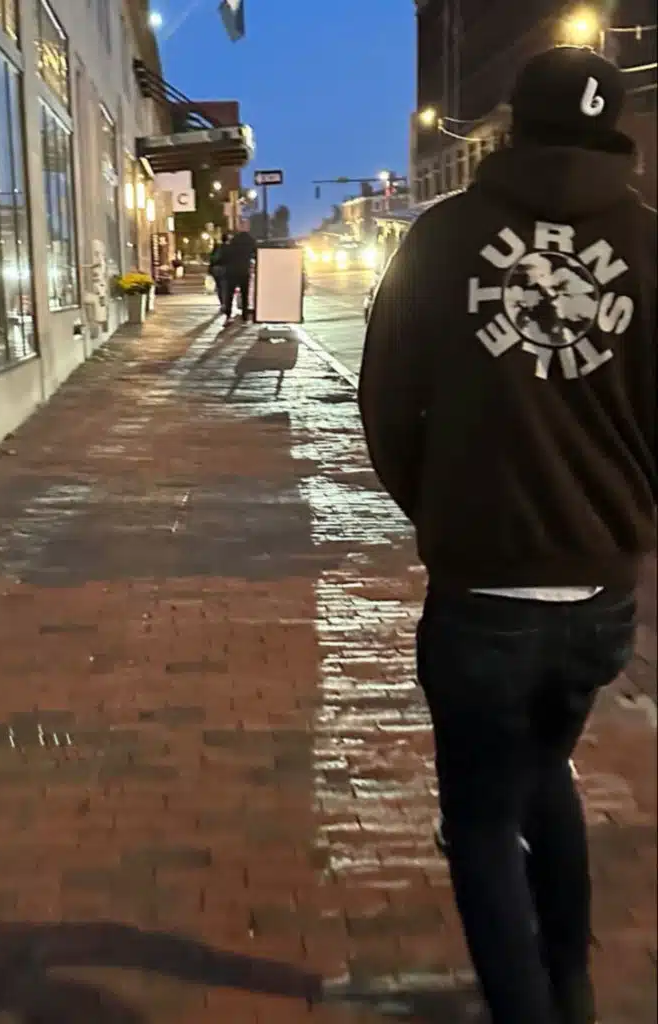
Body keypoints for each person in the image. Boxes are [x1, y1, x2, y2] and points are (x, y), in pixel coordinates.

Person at [359, 46, 655, 1024]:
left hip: (481, 595)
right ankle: (569, 985)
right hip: (599, 599)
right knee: (541, 773)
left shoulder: (442, 238)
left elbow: (385, 404)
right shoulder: (649, 243)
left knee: (483, 818)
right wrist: (625, 524)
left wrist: (444, 512)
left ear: (511, 129)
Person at [220, 229, 258, 325]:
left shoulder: (231, 245)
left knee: (229, 295)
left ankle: (228, 315)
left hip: (231, 272)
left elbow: (223, 259)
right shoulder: (249, 244)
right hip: (244, 272)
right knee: (245, 295)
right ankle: (245, 317)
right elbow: (255, 255)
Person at [208, 231, 230, 309]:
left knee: (219, 287)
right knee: (224, 287)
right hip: (225, 269)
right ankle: (224, 303)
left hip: (216, 269)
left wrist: (210, 270)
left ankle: (222, 303)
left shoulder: (217, 247)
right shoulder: (230, 247)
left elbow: (211, 259)